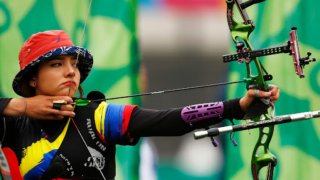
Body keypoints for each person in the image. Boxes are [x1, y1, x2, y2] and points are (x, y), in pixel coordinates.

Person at [0, 30, 279, 179]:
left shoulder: (95, 115)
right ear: (33, 79)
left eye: (74, 64)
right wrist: (19, 107)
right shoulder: (10, 124)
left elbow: (167, 120)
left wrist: (237, 107)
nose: (71, 71)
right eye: (57, 64)